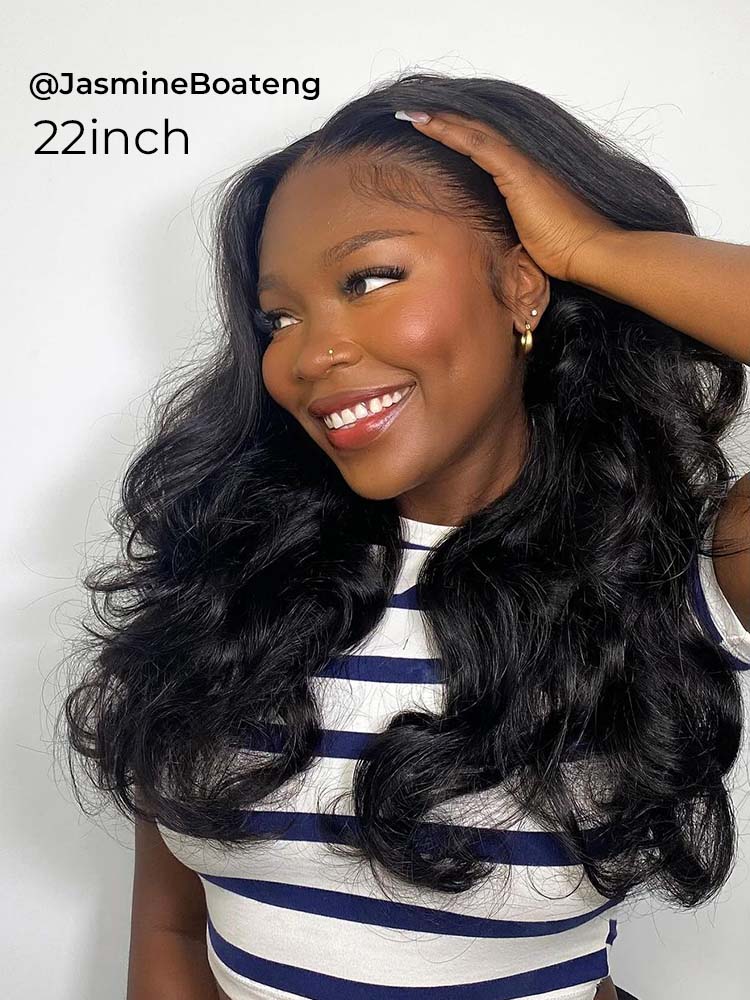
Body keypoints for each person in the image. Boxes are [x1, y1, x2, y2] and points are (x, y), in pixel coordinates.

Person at [58, 72, 750, 1000]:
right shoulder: (229, 578)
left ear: (522, 285)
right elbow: (171, 929)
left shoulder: (677, 571)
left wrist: (595, 249)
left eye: (370, 279)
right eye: (280, 317)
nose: (310, 354)